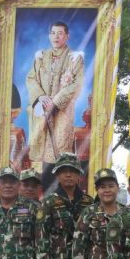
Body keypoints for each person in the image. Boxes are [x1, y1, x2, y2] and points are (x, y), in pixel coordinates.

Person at [37, 152, 93, 259]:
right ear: (57, 175)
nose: (68, 174)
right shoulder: (48, 203)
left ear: (79, 175)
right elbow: (41, 240)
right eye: (63, 171)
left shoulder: (89, 203)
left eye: (72, 170)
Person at [26, 21, 84, 166]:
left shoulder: (75, 58)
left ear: (67, 36)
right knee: (39, 151)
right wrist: (40, 96)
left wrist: (55, 102)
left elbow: (77, 84)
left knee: (60, 152)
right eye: (53, 33)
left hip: (61, 111)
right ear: (49, 35)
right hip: (42, 107)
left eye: (60, 33)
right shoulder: (40, 57)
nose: (56, 37)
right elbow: (30, 78)